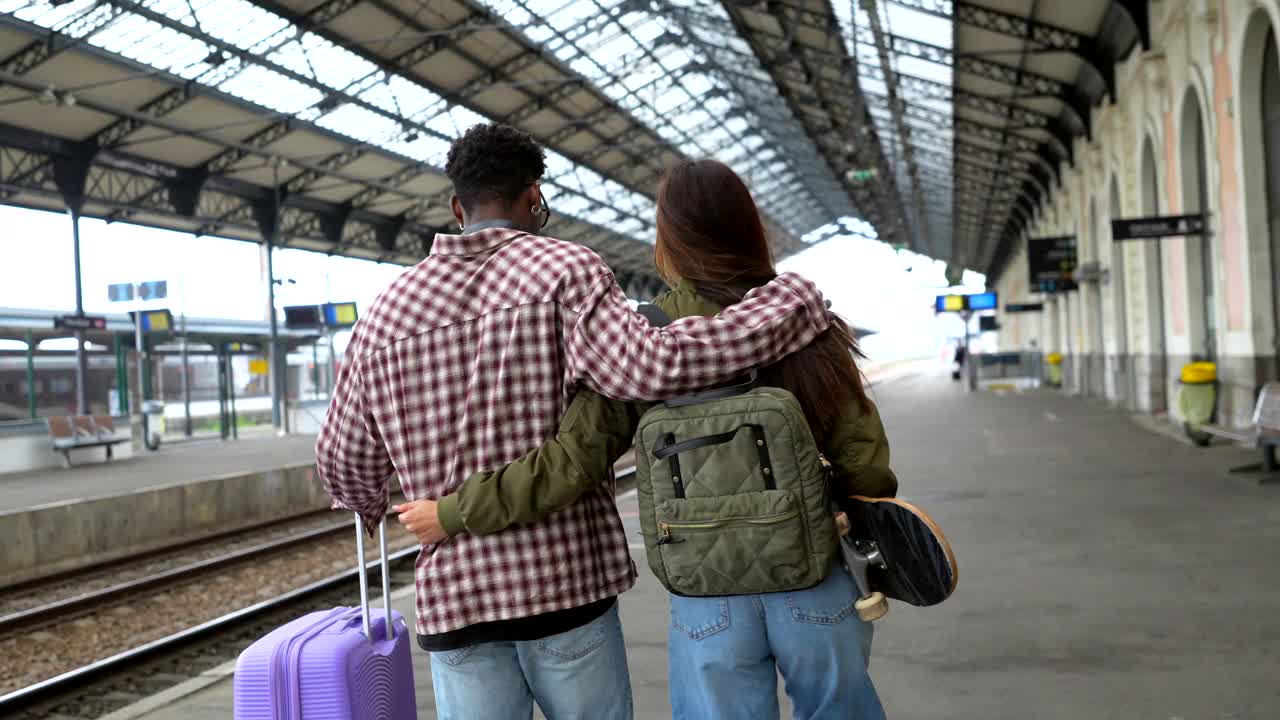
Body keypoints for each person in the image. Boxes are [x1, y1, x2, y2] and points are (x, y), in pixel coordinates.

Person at [315, 126, 835, 720]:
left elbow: (342, 463)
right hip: (564, 586)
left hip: (456, 599)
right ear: (533, 196)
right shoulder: (566, 271)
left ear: (458, 207)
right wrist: (785, 305)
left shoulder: (383, 315)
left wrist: (376, 501)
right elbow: (651, 367)